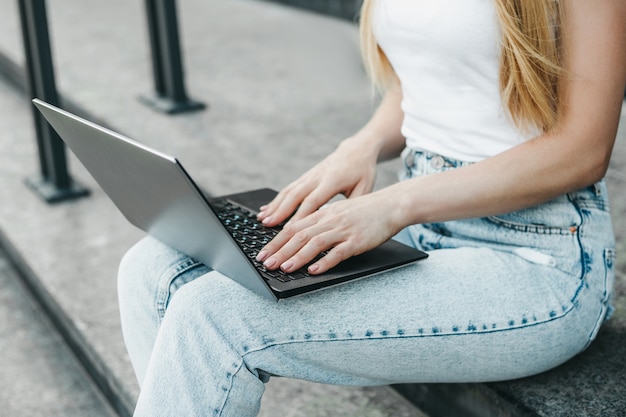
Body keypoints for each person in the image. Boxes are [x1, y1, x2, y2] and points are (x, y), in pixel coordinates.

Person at [117, 0, 626, 415]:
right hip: (424, 226)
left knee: (215, 314)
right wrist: (359, 146)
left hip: (538, 257)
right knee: (150, 267)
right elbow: (427, 75)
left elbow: (582, 151)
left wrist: (394, 205)